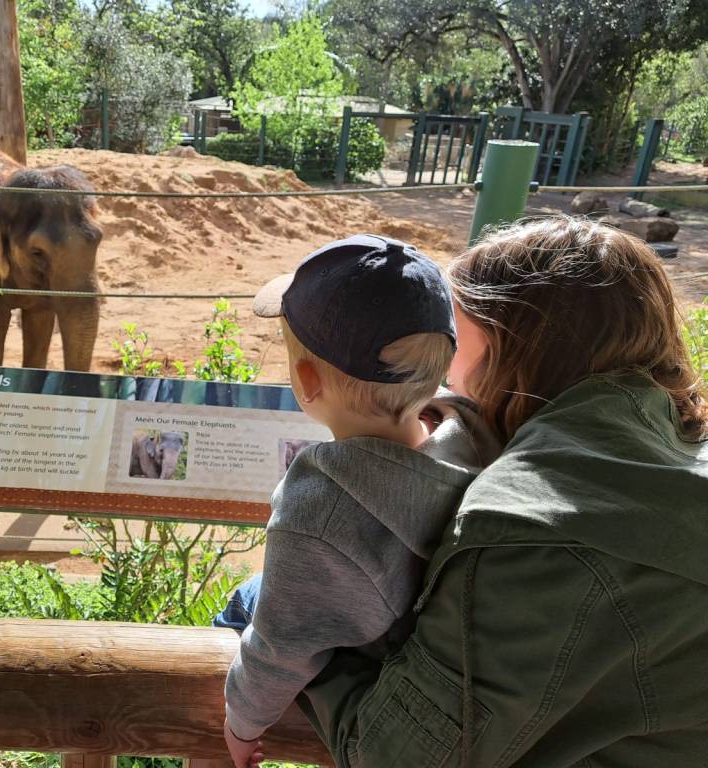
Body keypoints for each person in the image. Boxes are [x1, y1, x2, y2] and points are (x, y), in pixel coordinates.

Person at [296, 216, 708, 768]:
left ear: (508, 347)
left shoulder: (528, 532)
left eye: (453, 340)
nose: (444, 377)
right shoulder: (678, 440)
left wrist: (301, 630)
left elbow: (395, 756)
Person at [218, 234, 501, 768]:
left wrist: (241, 724)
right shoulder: (473, 431)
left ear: (307, 381)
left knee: (243, 602)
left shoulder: (318, 509)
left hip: (371, 653)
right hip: (427, 636)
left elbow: (280, 648)